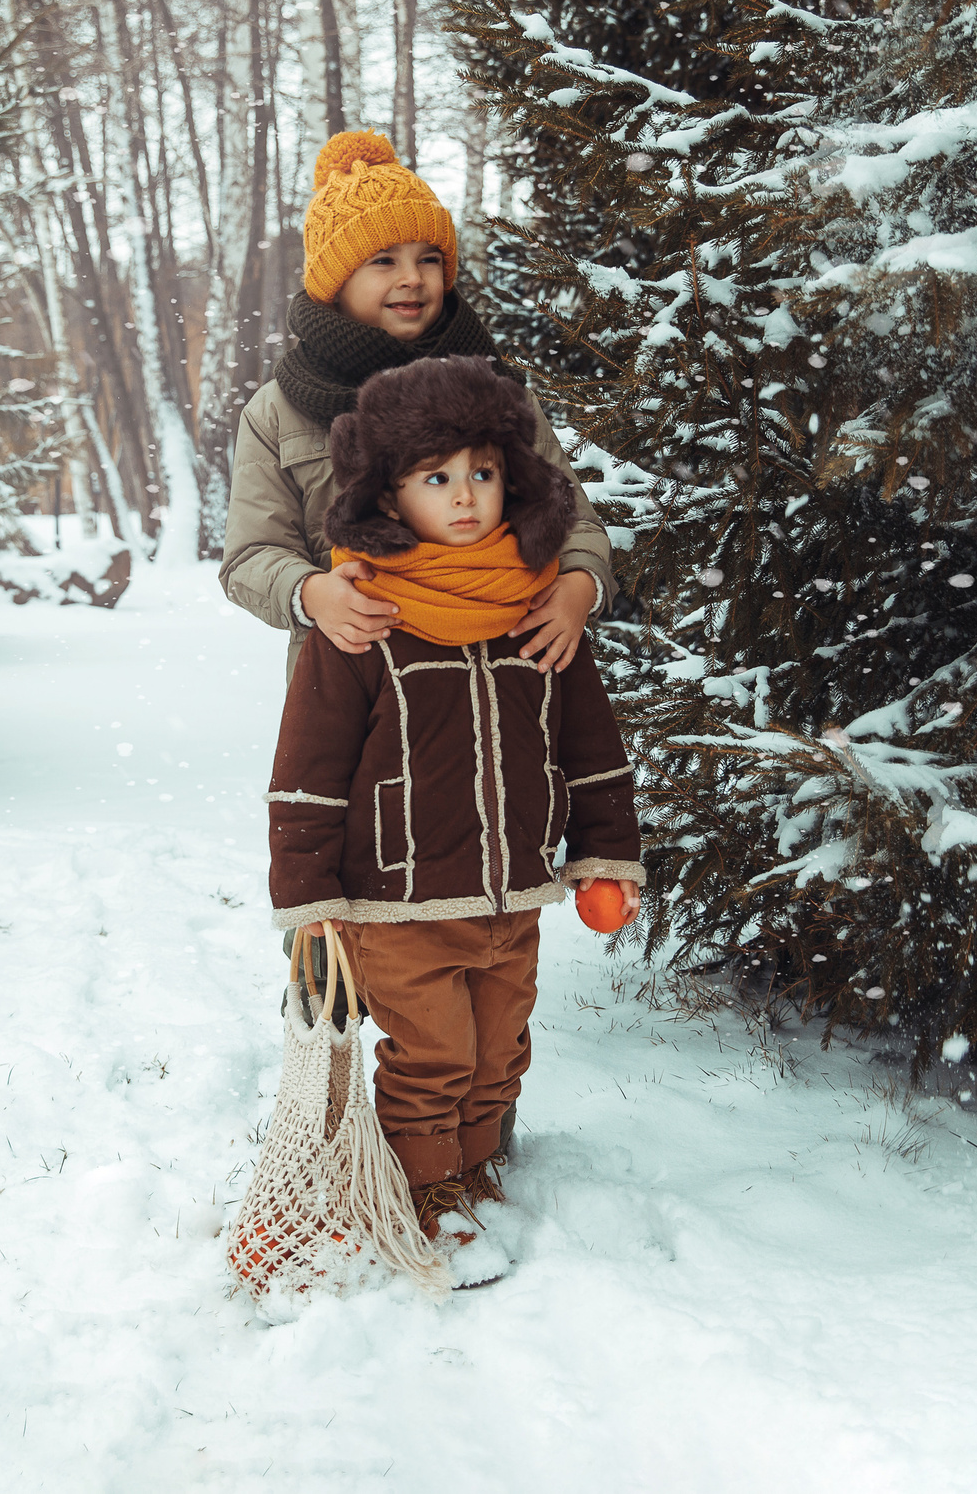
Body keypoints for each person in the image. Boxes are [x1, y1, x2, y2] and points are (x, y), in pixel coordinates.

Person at [263, 353, 645, 1273]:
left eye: (483, 471)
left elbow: (590, 745)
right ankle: (425, 1188)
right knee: (433, 1056)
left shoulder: (538, 605)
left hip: (514, 889)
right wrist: (309, 898)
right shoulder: (363, 620)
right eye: (437, 478)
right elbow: (307, 772)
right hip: (397, 898)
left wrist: (605, 853)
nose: (466, 495)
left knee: (499, 1053)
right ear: (391, 496)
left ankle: (474, 1168)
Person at [220, 130, 614, 676]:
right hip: (359, 678)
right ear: (335, 281)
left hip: (505, 672)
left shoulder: (494, 389)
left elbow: (573, 521)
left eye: (429, 259)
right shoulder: (279, 410)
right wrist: (310, 592)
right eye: (383, 260)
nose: (412, 278)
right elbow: (250, 555)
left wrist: (579, 584)